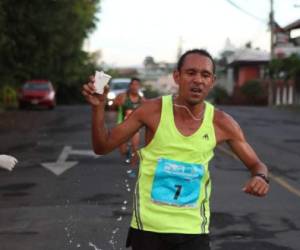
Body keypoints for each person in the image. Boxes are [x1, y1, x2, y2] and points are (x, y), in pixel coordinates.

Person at [82, 49, 269, 250]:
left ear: (212, 81)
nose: (198, 80)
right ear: (177, 76)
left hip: (194, 231)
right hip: (148, 229)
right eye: (191, 73)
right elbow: (102, 146)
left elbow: (256, 164)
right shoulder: (152, 111)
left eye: (205, 75)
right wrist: (97, 108)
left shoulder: (222, 123)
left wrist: (260, 177)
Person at [113, 78, 144, 176]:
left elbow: (147, 111)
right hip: (122, 125)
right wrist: (117, 104)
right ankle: (126, 153)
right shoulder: (123, 96)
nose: (135, 87)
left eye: (137, 85)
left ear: (139, 87)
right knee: (122, 150)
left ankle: (133, 168)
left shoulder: (141, 99)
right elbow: (113, 106)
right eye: (133, 85)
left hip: (135, 127)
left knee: (135, 147)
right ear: (130, 86)